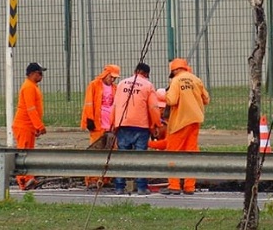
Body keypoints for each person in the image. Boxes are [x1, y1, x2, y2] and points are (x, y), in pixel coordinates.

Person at [160, 58, 210, 195]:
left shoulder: (175, 81)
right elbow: (206, 99)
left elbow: (172, 100)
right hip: (194, 121)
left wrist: (166, 94)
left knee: (173, 153)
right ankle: (189, 186)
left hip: (180, 122)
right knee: (191, 154)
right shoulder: (196, 79)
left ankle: (174, 186)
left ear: (175, 70)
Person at [111, 62, 161, 195]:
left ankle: (119, 187)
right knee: (140, 158)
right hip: (141, 126)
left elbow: (115, 105)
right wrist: (157, 124)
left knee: (122, 157)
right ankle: (141, 187)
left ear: (135, 71)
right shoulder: (148, 86)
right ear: (146, 74)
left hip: (123, 124)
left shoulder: (122, 84)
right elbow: (153, 108)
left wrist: (113, 123)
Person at [80, 63, 120, 188]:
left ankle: (106, 179)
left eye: (114, 78)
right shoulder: (94, 85)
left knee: (110, 152)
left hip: (110, 126)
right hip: (97, 125)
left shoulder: (115, 88)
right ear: (106, 74)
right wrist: (89, 119)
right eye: (111, 76)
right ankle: (91, 179)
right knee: (95, 152)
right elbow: (88, 103)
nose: (112, 79)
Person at [12, 62, 47, 190]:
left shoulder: (32, 86)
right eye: (39, 73)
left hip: (28, 126)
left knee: (28, 154)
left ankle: (29, 179)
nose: (41, 76)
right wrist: (39, 126)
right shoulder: (28, 87)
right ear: (32, 74)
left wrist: (35, 127)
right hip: (24, 125)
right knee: (23, 153)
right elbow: (31, 109)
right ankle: (23, 181)